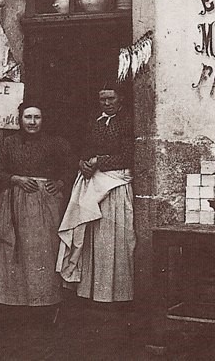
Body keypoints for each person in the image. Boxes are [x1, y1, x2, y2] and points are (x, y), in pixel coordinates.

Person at [57, 83, 135, 303]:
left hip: (114, 187)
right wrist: (83, 162)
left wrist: (99, 161)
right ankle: (90, 290)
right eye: (103, 100)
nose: (107, 104)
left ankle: (116, 293)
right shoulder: (95, 122)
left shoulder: (128, 122)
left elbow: (129, 155)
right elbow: (85, 148)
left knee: (114, 237)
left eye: (111, 99)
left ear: (120, 99)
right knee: (92, 237)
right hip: (93, 182)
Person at [0, 100, 73, 312]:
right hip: (15, 203)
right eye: (28, 117)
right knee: (13, 249)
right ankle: (15, 304)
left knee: (44, 250)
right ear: (20, 120)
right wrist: (15, 179)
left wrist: (60, 183)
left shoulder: (56, 143)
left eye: (37, 117)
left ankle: (44, 302)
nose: (32, 122)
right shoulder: (7, 144)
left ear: (43, 120)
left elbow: (70, 168)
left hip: (45, 205)